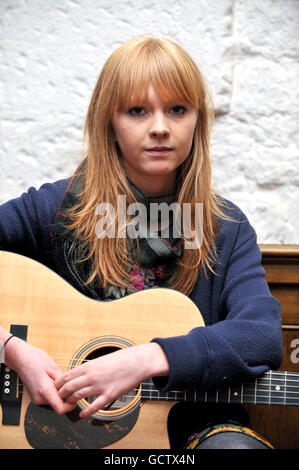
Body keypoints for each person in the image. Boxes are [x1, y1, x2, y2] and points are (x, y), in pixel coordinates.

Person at [0, 36, 283, 449]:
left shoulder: (227, 227)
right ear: (109, 123)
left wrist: (144, 359)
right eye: (137, 110)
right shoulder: (55, 209)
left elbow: (259, 334)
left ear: (197, 122)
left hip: (192, 434)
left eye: (177, 110)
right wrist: (11, 349)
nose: (160, 128)